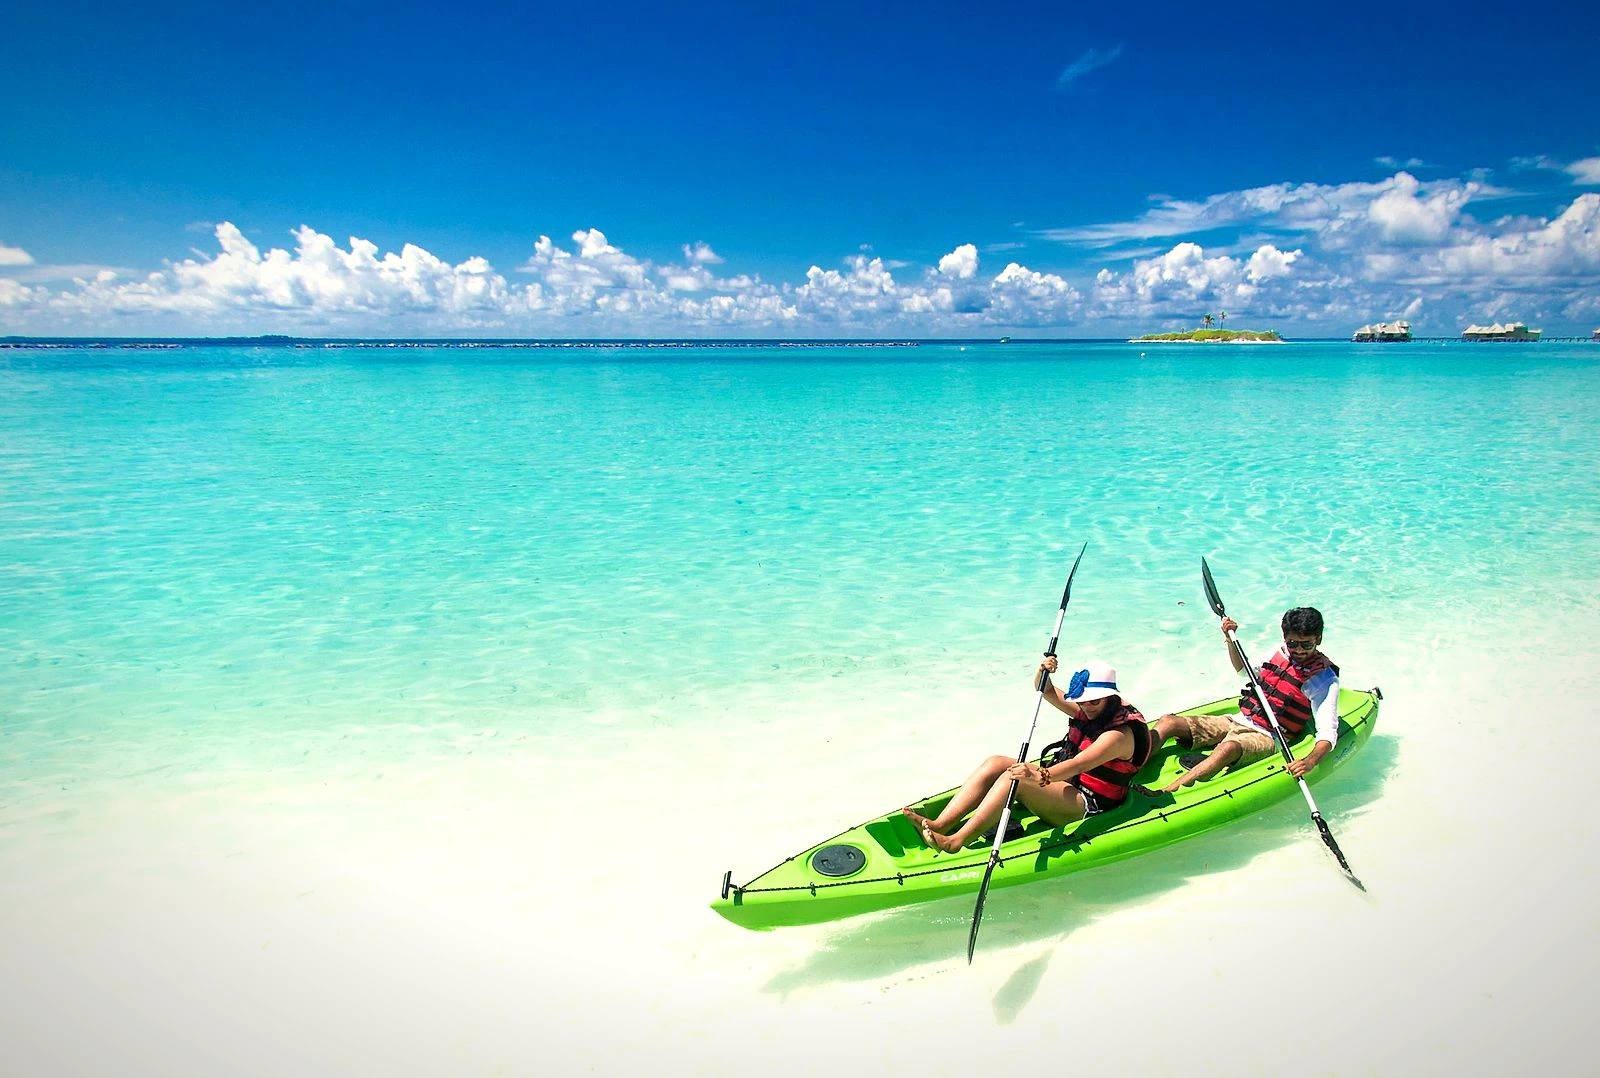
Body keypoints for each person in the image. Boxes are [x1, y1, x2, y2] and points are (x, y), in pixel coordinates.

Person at [904, 658, 1151, 853]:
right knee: (996, 763)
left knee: (1016, 779)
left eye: (1092, 702)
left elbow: (1078, 764)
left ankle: (956, 841)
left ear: (1110, 696)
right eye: (1083, 701)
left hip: (1089, 804)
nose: (1085, 706)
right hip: (1068, 784)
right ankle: (940, 824)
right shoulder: (1094, 707)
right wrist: (1043, 671)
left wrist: (1038, 775)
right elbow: (1046, 690)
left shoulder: (1117, 736)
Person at [1150, 607, 1340, 793]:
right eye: (1292, 643)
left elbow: (1327, 732)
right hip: (1238, 719)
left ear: (1319, 639)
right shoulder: (1279, 653)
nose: (1298, 650)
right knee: (1169, 722)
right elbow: (1243, 670)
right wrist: (1230, 641)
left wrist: (1310, 761)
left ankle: (1167, 793)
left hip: (1270, 737)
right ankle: (1131, 766)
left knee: (1227, 748)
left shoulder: (1324, 679)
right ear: (1285, 638)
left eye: (1306, 644)